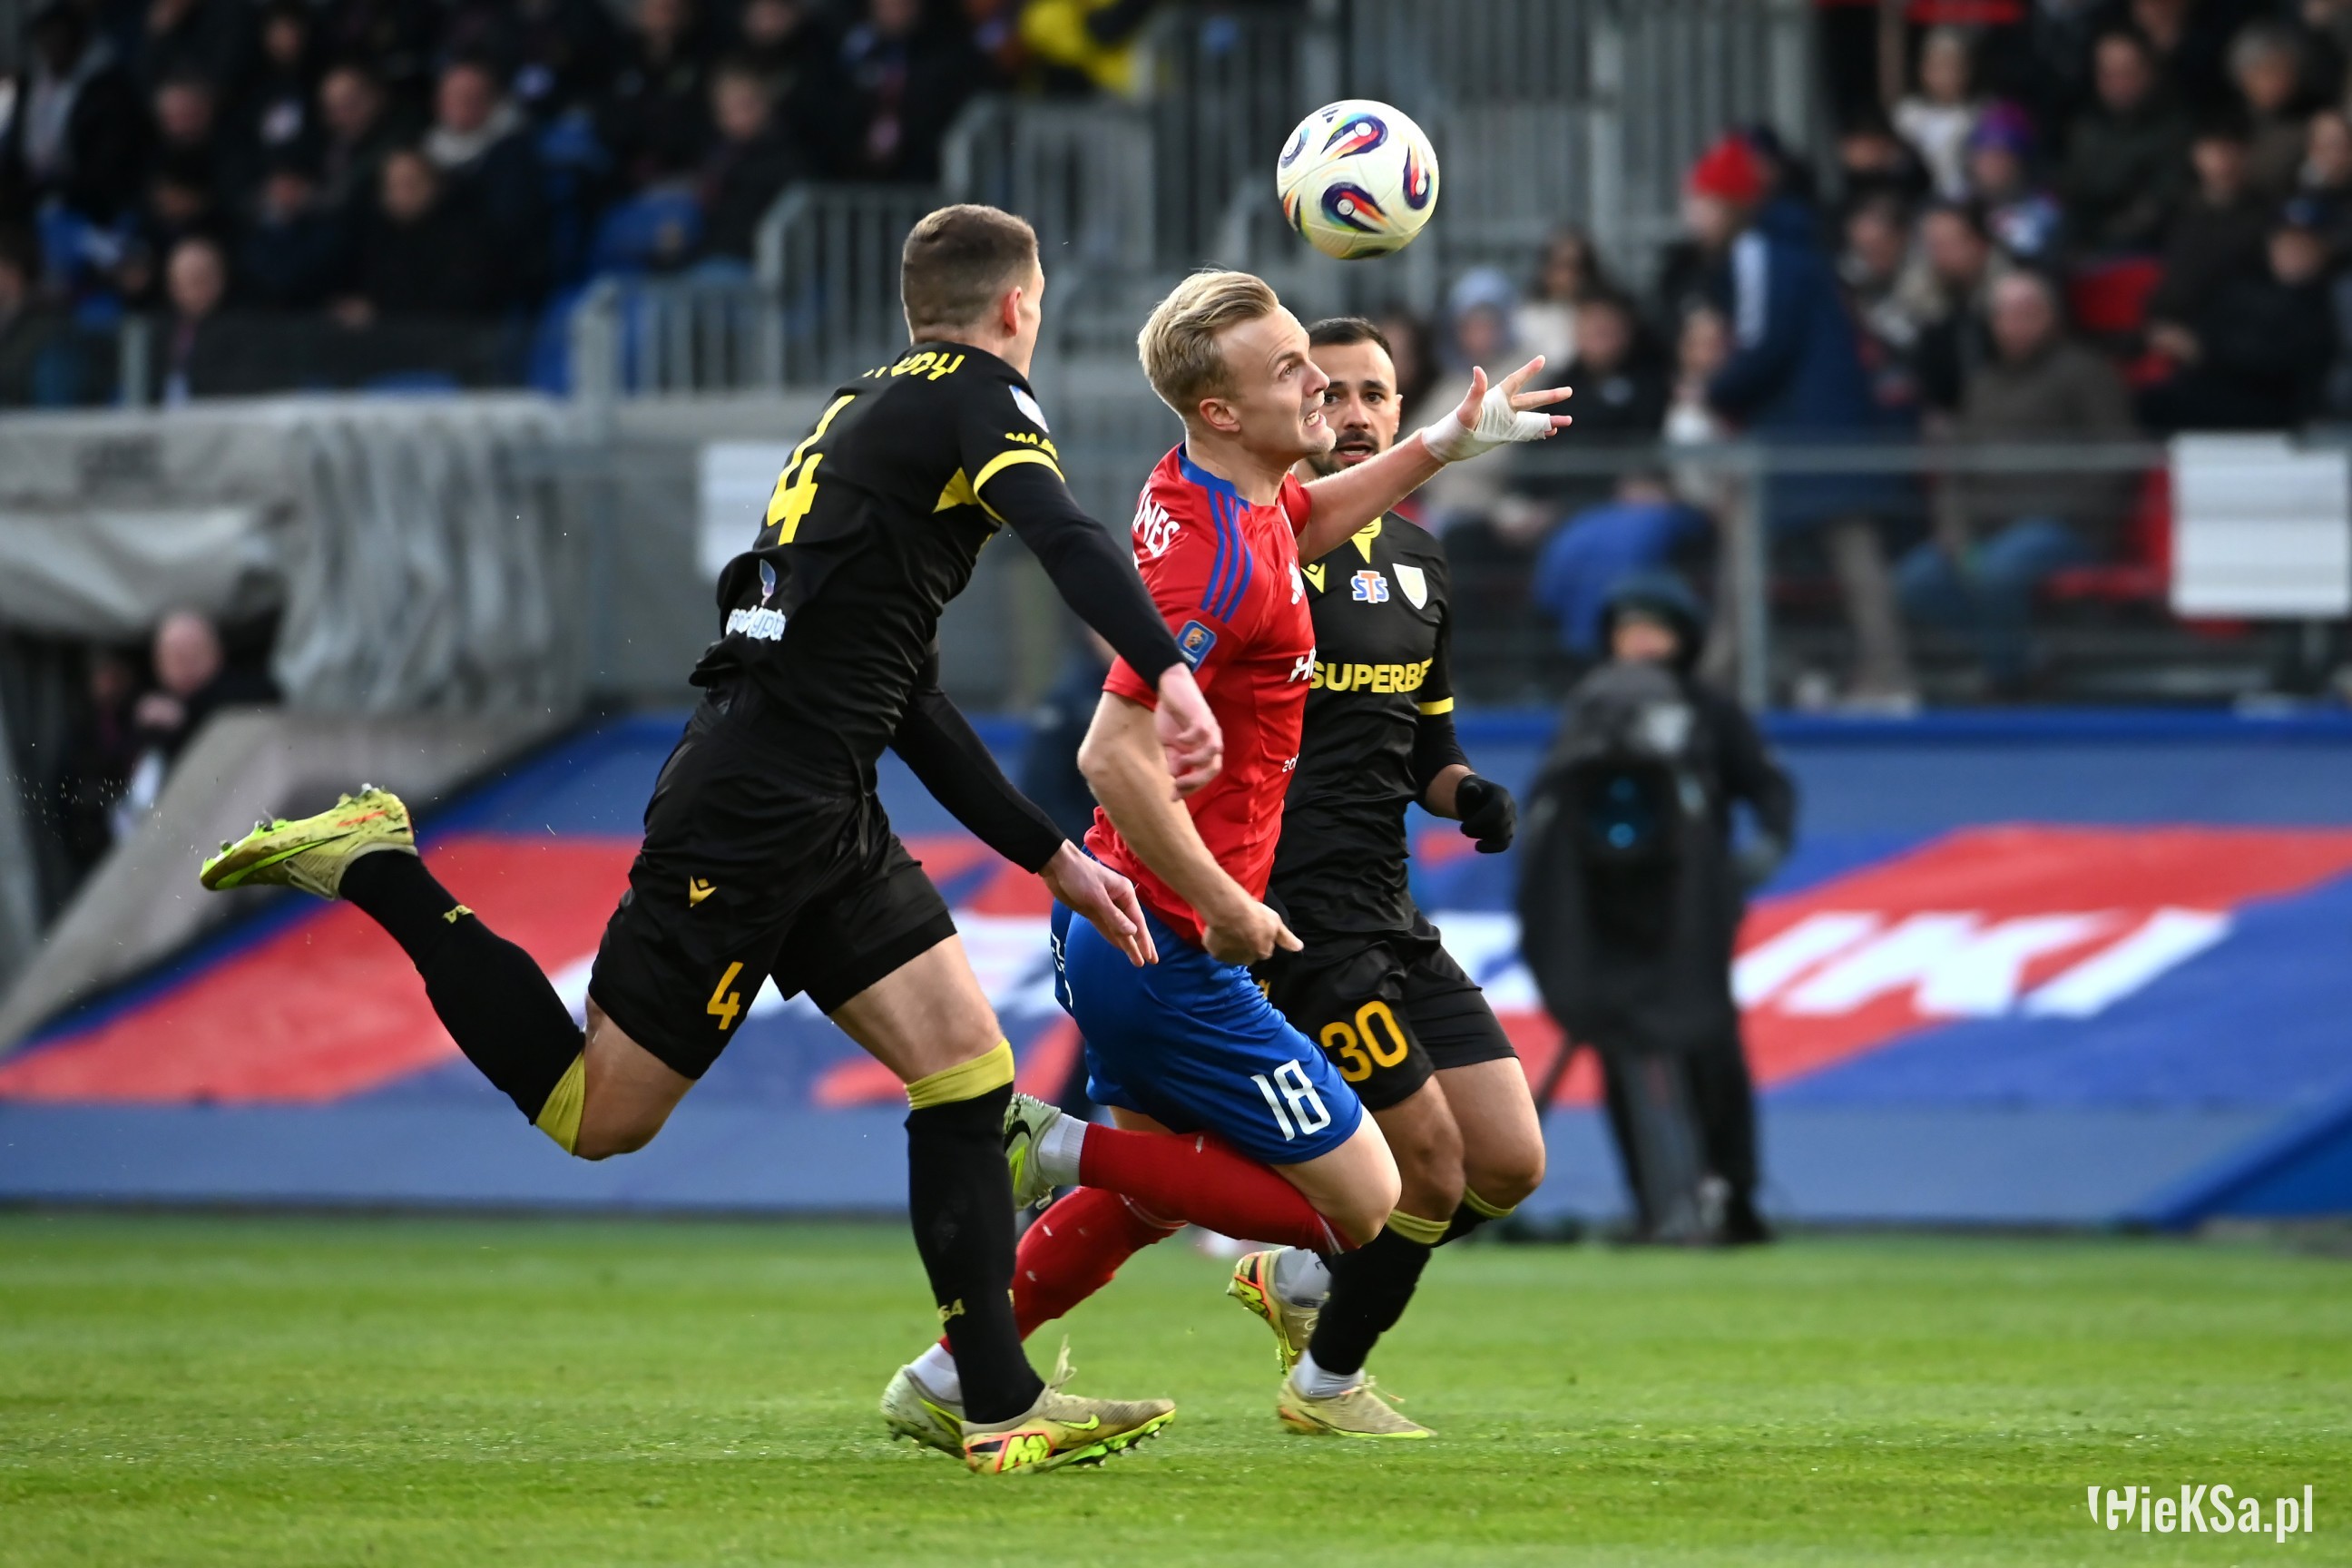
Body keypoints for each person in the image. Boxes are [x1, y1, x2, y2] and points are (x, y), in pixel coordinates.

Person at [199, 204, 1220, 1476]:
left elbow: (904, 697)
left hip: (818, 792)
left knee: (966, 1070)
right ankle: (378, 865)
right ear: (1019, 305)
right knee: (597, 1114)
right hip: (755, 804)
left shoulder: (866, 411)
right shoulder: (979, 399)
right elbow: (1065, 534)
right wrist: (1169, 668)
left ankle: (989, 1399)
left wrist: (1052, 857)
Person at [879, 270, 1572, 1451]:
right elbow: (1110, 753)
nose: (1320, 388)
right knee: (1371, 1200)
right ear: (1221, 410)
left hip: (1139, 929)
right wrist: (1226, 906)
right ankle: (1051, 1145)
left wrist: (1445, 443)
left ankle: (950, 1378)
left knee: (1148, 1196)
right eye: (1295, 370)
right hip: (1181, 939)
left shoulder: (1232, 495)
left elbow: (1303, 521)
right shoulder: (1221, 565)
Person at [1224, 315, 1545, 1436]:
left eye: (1376, 394)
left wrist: (1469, 793)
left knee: (1510, 1163)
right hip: (1294, 913)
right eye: (1334, 393)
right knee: (1433, 1167)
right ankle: (1327, 1385)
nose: (1356, 414)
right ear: (1297, 408)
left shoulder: (1420, 560)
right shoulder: (1261, 540)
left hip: (1389, 907)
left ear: (1400, 410)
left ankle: (1305, 1274)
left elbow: (1427, 747)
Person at [1516, 575, 1793, 1245]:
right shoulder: (1593, 706)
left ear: (1682, 639)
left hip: (1688, 911)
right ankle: (1655, 1204)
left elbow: (1769, 787)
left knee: (1710, 1047)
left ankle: (1734, 1196)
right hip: (1603, 911)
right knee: (1618, 1053)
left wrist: (1761, 852)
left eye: (1653, 630)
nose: (1638, 643)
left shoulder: (1710, 710)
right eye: (1626, 630)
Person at [1685, 132, 1916, 707]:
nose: (1692, 217)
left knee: (1751, 553)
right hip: (1827, 425)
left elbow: (1764, 342)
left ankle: (1720, 680)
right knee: (1849, 552)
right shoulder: (1793, 247)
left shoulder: (1758, 250)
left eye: (1701, 203)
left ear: (1728, 204)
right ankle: (1889, 678)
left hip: (1799, 434)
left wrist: (1715, 391)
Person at [1896, 270, 2137, 692]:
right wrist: (1954, 529)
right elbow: (1957, 472)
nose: (2015, 325)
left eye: (2027, 313)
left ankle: (2006, 683)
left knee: (1999, 570)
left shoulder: (2086, 372)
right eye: (2005, 315)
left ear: (2051, 317)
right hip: (1987, 529)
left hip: (2065, 527)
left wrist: (2065, 508)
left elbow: (2119, 455)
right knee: (1916, 580)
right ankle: (2023, 656)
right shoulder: (1982, 384)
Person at [2141, 197, 2337, 432]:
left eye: (2304, 244)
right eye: (2285, 242)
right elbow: (2207, 328)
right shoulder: (2243, 288)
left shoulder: (2330, 298)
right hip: (2213, 391)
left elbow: (2289, 361)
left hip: (2276, 408)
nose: (2292, 251)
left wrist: (2205, 350)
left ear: (2325, 248)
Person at [2061, 29, 2191, 253]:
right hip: (2082, 248)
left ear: (2150, 72)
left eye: (2128, 72)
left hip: (2146, 250)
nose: (2118, 84)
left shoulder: (2176, 130)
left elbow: (2162, 202)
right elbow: (2071, 189)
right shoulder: (2086, 126)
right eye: (2108, 74)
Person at [2144, 117, 2273, 331]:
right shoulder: (2178, 209)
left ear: (2248, 153)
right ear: (2196, 156)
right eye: (2213, 151)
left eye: (2231, 150)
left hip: (2232, 329)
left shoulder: (2268, 214)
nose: (2223, 162)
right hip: (2168, 322)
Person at [1895, 26, 1984, 201]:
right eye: (1937, 66)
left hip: (1972, 203)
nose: (1946, 75)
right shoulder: (1907, 115)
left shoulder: (1983, 114)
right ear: (1923, 70)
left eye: (1953, 65)